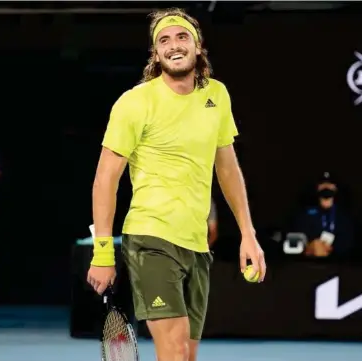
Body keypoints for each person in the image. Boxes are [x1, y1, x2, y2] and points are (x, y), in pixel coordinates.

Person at [87, 8, 266, 361]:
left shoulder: (217, 95)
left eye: (181, 37)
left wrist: (248, 233)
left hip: (197, 246)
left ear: (198, 47)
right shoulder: (135, 102)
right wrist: (103, 252)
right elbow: (106, 178)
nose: (173, 45)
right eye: (164, 40)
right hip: (150, 239)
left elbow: (227, 168)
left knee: (186, 356)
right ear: (156, 54)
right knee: (175, 351)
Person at [293, 172, 356, 259]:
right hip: (309, 263)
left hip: (338, 263)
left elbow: (350, 243)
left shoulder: (345, 217)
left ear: (335, 187)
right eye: (322, 184)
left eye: (330, 184)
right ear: (317, 188)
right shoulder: (304, 215)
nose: (326, 186)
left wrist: (331, 249)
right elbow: (296, 239)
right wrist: (309, 247)